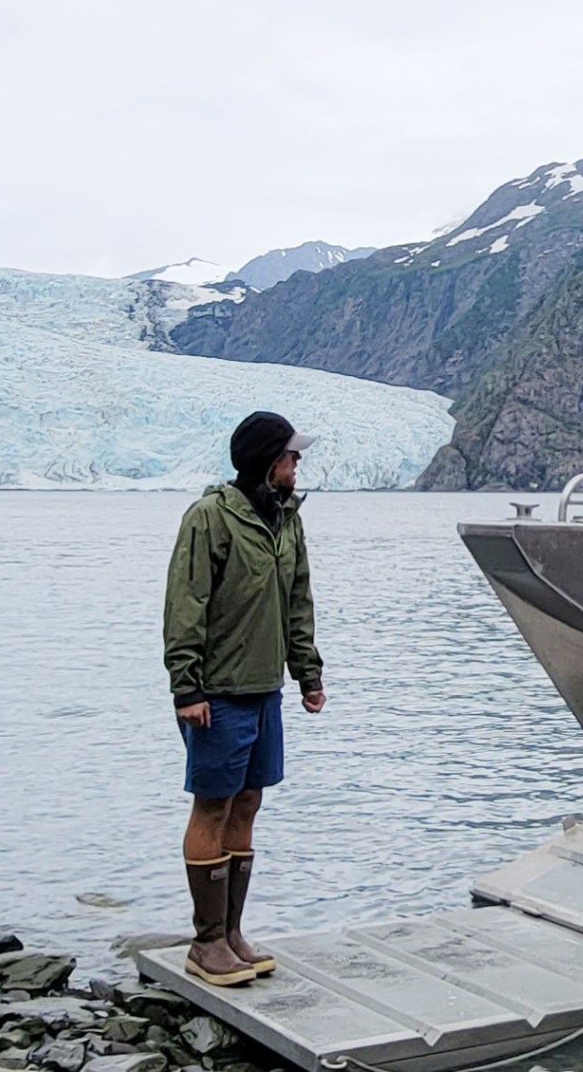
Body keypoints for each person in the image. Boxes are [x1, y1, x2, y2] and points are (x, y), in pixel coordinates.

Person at [163, 411, 325, 986]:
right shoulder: (210, 518)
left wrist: (308, 674)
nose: (297, 463)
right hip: (217, 694)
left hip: (265, 691)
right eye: (290, 454)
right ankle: (205, 943)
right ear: (265, 459)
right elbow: (186, 605)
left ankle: (231, 933)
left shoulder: (286, 520)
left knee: (249, 801)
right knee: (213, 804)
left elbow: (298, 600)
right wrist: (188, 688)